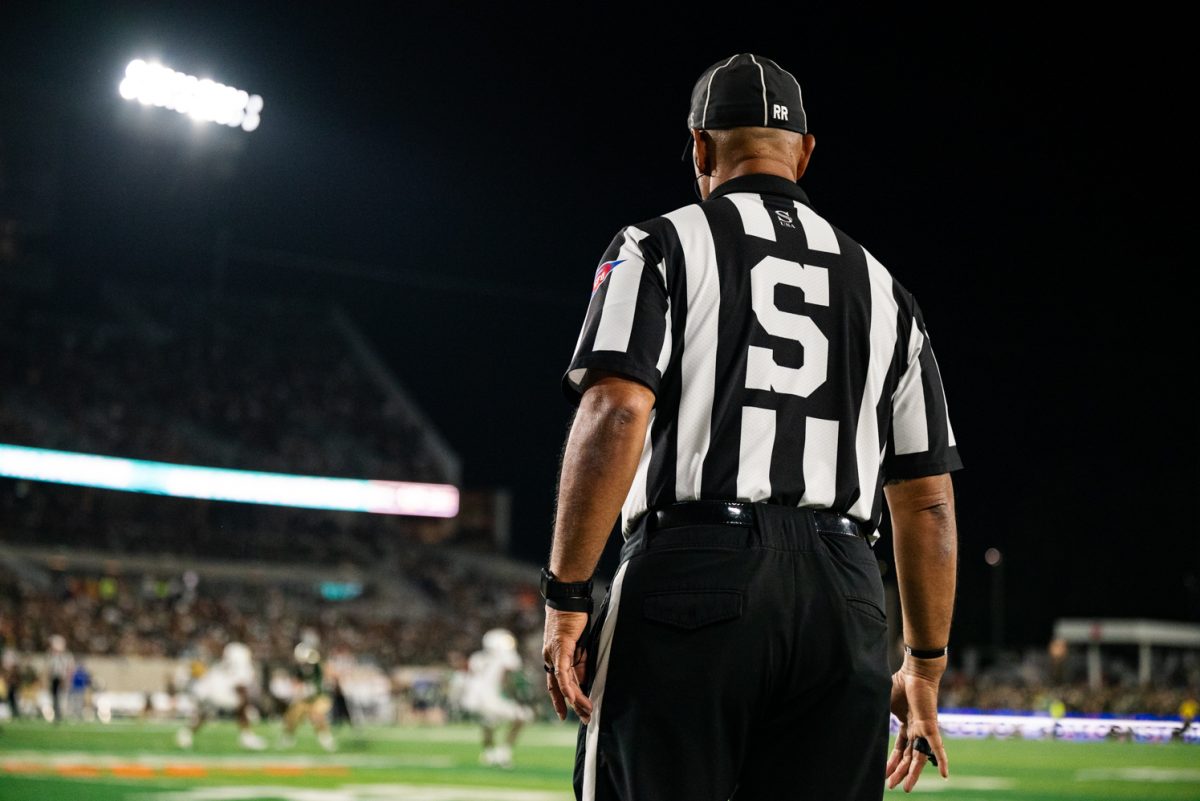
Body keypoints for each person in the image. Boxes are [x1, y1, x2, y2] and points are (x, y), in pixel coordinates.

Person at [541, 53, 963, 801]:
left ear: (700, 147)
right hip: (847, 588)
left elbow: (617, 408)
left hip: (694, 568)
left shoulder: (658, 244)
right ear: (804, 153)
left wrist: (567, 594)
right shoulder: (888, 292)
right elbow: (927, 500)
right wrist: (924, 666)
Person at [460, 628, 533, 768]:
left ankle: (488, 753)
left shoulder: (477, 657)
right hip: (493, 699)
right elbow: (508, 679)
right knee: (523, 716)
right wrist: (517, 696)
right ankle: (504, 752)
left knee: (489, 724)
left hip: (476, 699)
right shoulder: (506, 657)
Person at [175, 642, 266, 751]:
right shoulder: (243, 666)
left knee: (205, 713)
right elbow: (241, 688)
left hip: (209, 690)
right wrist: (244, 705)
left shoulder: (222, 664)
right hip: (224, 695)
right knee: (242, 706)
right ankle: (246, 736)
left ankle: (186, 733)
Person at [280, 635, 336, 752]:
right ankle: (288, 737)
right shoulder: (299, 668)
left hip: (318, 697)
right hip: (304, 698)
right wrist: (299, 691)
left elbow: (326, 671)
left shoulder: (316, 665)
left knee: (316, 715)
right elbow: (297, 682)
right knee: (291, 717)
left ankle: (325, 738)